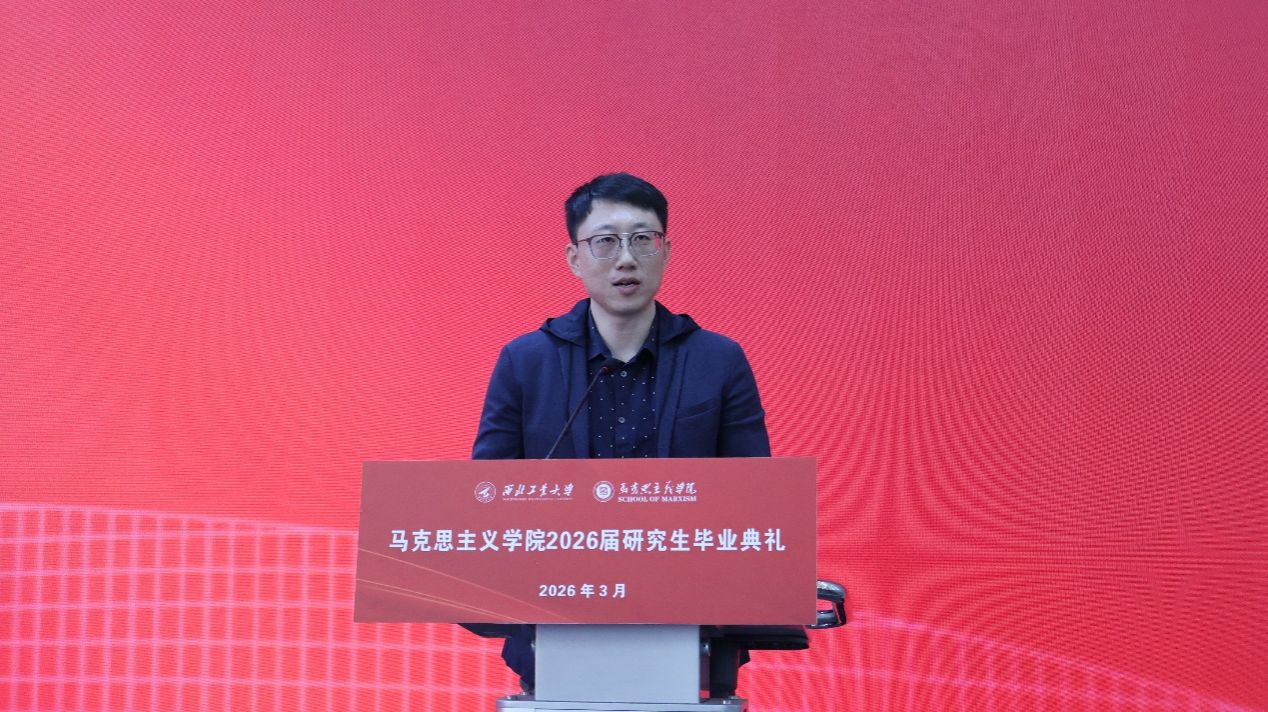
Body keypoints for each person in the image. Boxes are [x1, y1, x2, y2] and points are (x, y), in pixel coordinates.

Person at [472, 172, 771, 695]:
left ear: (665, 251)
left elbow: (756, 496)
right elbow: (486, 496)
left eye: (642, 239)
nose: (626, 258)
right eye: (606, 241)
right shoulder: (525, 361)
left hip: (689, 627)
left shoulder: (718, 360)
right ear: (574, 258)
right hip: (555, 622)